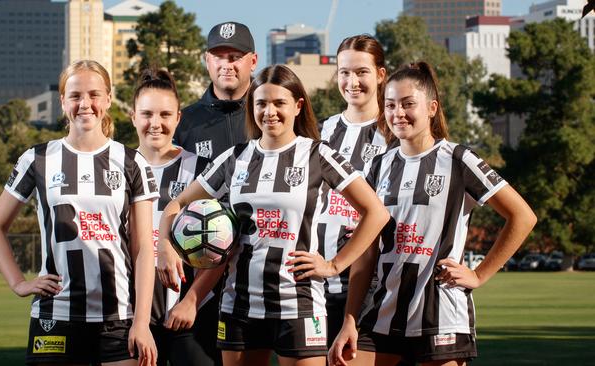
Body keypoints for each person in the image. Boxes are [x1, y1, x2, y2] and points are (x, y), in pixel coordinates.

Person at [158, 64, 390, 366]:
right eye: (261, 103)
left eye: (279, 103)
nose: (270, 111)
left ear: (297, 106)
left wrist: (334, 265)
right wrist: (165, 244)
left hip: (300, 305)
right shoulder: (236, 158)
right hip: (239, 306)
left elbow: (376, 213)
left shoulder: (318, 155)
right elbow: (175, 205)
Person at [328, 61, 537, 366]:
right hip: (383, 312)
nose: (398, 113)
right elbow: (366, 252)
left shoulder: (458, 159)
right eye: (390, 105)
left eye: (408, 104)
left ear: (431, 108)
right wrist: (349, 319)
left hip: (441, 316)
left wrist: (478, 275)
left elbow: (522, 217)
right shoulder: (379, 165)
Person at [0, 60, 158, 366]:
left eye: (94, 94)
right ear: (63, 101)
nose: (85, 104)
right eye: (76, 95)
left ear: (107, 98)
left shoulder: (132, 162)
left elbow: (143, 249)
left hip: (117, 317)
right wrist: (19, 283)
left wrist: (142, 322)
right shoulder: (36, 159)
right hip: (56, 314)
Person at [129, 68, 218, 365]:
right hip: (129, 314)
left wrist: (192, 300)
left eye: (165, 115)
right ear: (133, 116)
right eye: (147, 114)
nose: (156, 124)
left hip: (190, 316)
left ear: (178, 118)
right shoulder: (115, 168)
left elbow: (226, 246)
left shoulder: (203, 170)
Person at [317, 34, 388, 348]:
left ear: (381, 75)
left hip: (377, 289)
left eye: (362, 72)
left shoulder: (397, 132)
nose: (352, 81)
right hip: (318, 285)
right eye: (344, 72)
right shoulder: (319, 132)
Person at [173, 21, 258, 159]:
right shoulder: (183, 122)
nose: (227, 66)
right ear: (207, 61)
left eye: (235, 57)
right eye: (218, 57)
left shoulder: (271, 116)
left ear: (253, 61)